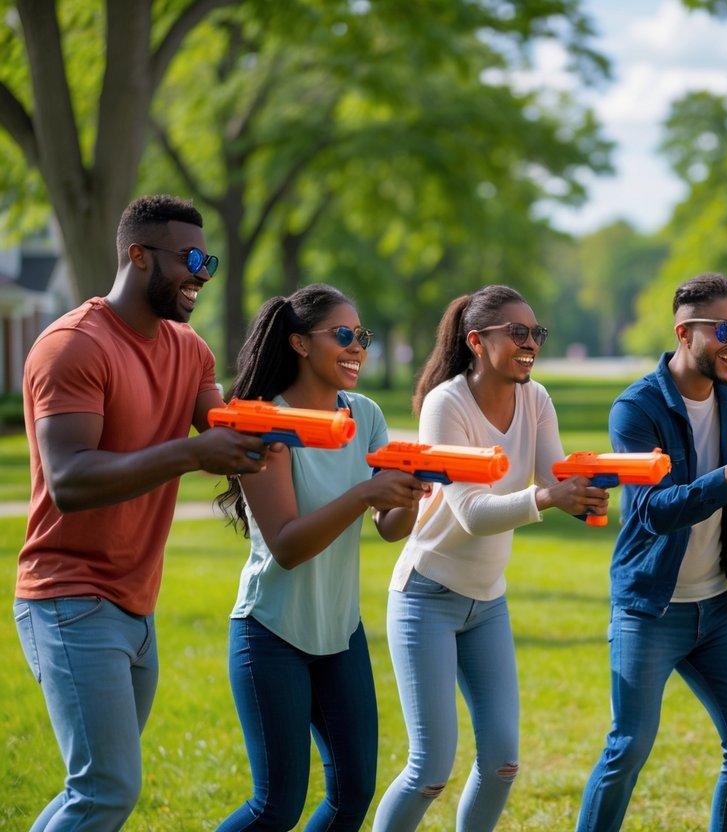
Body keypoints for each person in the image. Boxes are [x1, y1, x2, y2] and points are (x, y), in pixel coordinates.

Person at [13, 194, 268, 830]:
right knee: (106, 789)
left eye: (208, 259)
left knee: (98, 788)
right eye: (191, 258)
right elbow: (70, 480)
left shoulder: (189, 349)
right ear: (137, 255)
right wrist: (190, 452)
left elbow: (226, 433)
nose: (203, 273)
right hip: (68, 596)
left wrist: (318, 423)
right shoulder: (73, 346)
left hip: (135, 603)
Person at [576, 272, 727, 832]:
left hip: (719, 609)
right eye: (726, 330)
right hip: (649, 608)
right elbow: (651, 511)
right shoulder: (637, 408)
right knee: (629, 747)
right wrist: (725, 481)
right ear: (685, 333)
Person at [373, 284, 607, 832]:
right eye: (518, 333)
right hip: (425, 597)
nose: (531, 343)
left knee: (502, 763)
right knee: (430, 768)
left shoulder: (537, 398)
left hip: (487, 603)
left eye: (536, 333)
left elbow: (554, 479)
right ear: (477, 341)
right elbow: (473, 512)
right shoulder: (446, 404)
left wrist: (591, 488)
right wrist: (551, 498)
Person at [214, 285, 430, 831]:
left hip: (340, 631)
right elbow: (286, 545)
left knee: (353, 793)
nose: (357, 347)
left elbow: (388, 528)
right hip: (271, 631)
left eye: (362, 337)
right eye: (343, 336)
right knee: (276, 807)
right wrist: (363, 494)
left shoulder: (366, 414)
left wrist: (412, 493)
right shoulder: (266, 424)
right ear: (299, 344)